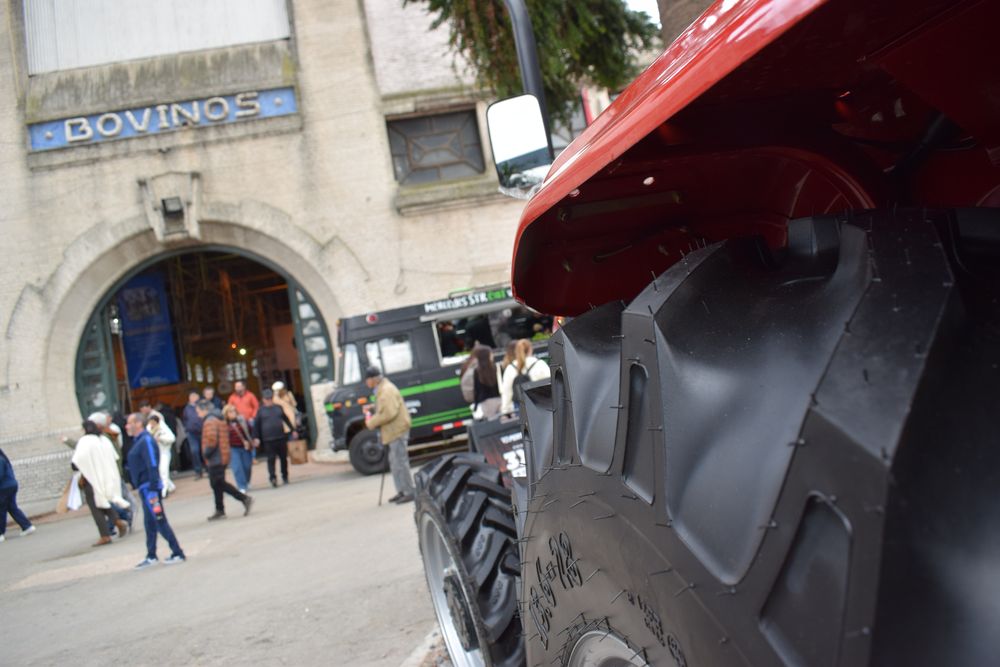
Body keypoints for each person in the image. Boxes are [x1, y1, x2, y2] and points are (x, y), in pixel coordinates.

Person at [125, 412, 185, 568]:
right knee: (150, 523)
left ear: (138, 424)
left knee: (159, 520)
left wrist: (153, 487)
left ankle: (177, 552)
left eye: (130, 423)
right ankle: (151, 554)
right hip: (145, 487)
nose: (127, 426)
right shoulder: (140, 441)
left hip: (149, 488)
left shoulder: (145, 441)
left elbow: (152, 464)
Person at [72, 421, 129, 547]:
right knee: (103, 502)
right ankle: (117, 521)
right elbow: (114, 457)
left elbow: (77, 461)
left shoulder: (85, 441)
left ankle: (105, 535)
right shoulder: (104, 440)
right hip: (106, 477)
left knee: (96, 507)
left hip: (91, 478)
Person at [363, 366, 414, 504]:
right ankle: (402, 490)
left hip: (397, 430)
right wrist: (373, 407)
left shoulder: (386, 390)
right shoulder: (382, 389)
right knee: (394, 462)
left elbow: (389, 413)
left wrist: (371, 422)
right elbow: (385, 407)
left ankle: (409, 491)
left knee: (400, 462)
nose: (366, 382)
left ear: (374, 379)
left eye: (367, 379)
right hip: (392, 431)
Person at [198, 400, 253, 520]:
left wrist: (206, 453)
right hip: (222, 454)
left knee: (218, 483)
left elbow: (211, 440)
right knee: (216, 484)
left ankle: (243, 498)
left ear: (204, 410)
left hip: (216, 457)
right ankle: (220, 509)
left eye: (198, 411)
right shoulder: (218, 418)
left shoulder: (210, 421)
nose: (198, 414)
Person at [500, 339, 552, 414]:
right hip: (542, 406)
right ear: (530, 349)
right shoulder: (539, 364)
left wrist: (505, 411)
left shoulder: (510, 368)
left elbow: (507, 392)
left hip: (520, 409)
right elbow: (550, 383)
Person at [254, 389, 293, 487]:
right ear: (263, 400)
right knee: (271, 459)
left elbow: (286, 419)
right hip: (268, 439)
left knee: (283, 458)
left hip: (280, 437)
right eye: (267, 399)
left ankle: (285, 476)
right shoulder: (260, 411)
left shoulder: (278, 408)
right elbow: (256, 425)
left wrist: (293, 430)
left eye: (270, 398)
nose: (269, 400)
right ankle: (273, 478)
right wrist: (256, 437)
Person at [0, 447, 35, 543]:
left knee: (1, 510)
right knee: (12, 507)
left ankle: (0, 533)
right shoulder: (3, 459)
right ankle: (27, 526)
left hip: (4, 488)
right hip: (11, 485)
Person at [222, 404, 255, 493]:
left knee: (247, 466)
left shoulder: (242, 420)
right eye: (230, 412)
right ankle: (241, 486)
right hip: (232, 448)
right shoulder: (224, 424)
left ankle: (247, 481)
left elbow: (250, 430)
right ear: (226, 414)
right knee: (237, 467)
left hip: (245, 447)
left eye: (234, 411)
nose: (233, 413)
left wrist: (251, 441)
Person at [146, 414, 177, 496]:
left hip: (164, 452)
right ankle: (170, 486)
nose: (152, 424)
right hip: (155, 453)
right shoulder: (148, 429)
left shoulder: (163, 429)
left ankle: (164, 491)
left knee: (163, 471)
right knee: (160, 472)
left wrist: (161, 439)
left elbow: (171, 438)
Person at [471, 346, 501, 420]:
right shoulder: (496, 367)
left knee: (492, 422)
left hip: (486, 402)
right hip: (499, 398)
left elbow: (477, 390)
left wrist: (476, 405)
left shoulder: (477, 371)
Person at [181, 390, 204, 480]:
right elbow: (184, 419)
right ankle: (198, 471)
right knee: (194, 451)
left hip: (202, 431)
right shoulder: (186, 409)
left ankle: (209, 469)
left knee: (205, 451)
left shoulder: (202, 405)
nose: (193, 398)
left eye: (195, 396)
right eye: (192, 396)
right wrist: (187, 428)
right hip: (191, 433)